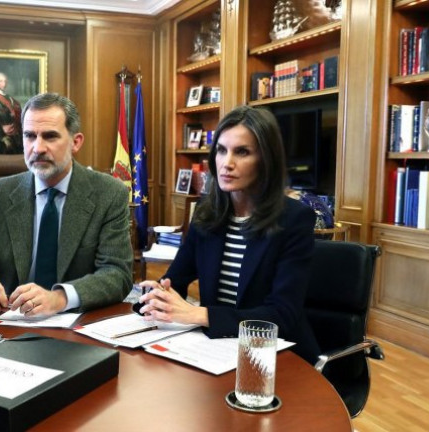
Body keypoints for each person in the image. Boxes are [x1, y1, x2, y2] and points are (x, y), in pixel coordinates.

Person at [137, 105, 320, 364]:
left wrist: (199, 315)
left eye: (242, 152)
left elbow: (282, 315)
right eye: (221, 150)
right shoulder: (206, 213)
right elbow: (175, 279)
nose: (227, 163)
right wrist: (157, 294)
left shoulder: (294, 220)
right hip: (217, 350)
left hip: (276, 356)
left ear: (266, 160)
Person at [0, 93, 133, 316]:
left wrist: (59, 298)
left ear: (76, 142)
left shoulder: (109, 194)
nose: (38, 147)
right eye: (30, 136)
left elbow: (117, 274)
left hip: (78, 324)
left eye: (50, 136)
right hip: (13, 324)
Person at [0, 72, 23, 155]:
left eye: (5, 81)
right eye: (1, 81)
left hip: (15, 136)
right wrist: (3, 137)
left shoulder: (10, 98)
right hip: (2, 137)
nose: (4, 83)